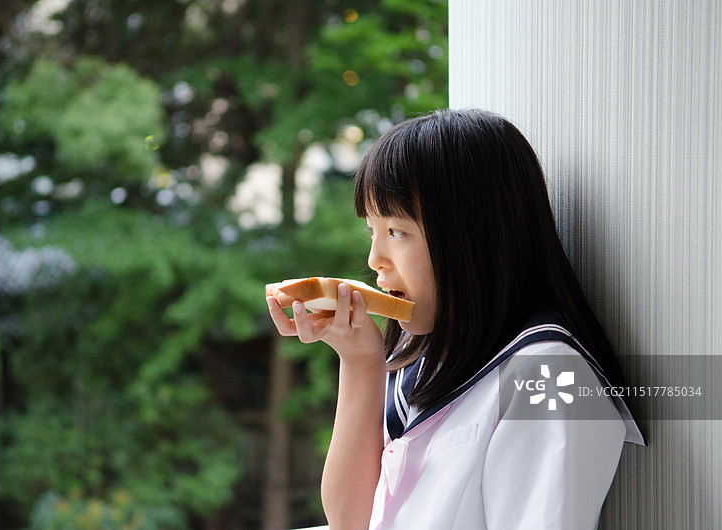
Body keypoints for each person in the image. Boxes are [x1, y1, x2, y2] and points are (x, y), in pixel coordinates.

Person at [265, 109, 644, 530]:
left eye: (397, 232)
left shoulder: (549, 377)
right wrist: (359, 361)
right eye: (372, 231)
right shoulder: (423, 351)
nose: (374, 260)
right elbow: (351, 521)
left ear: (472, 238)